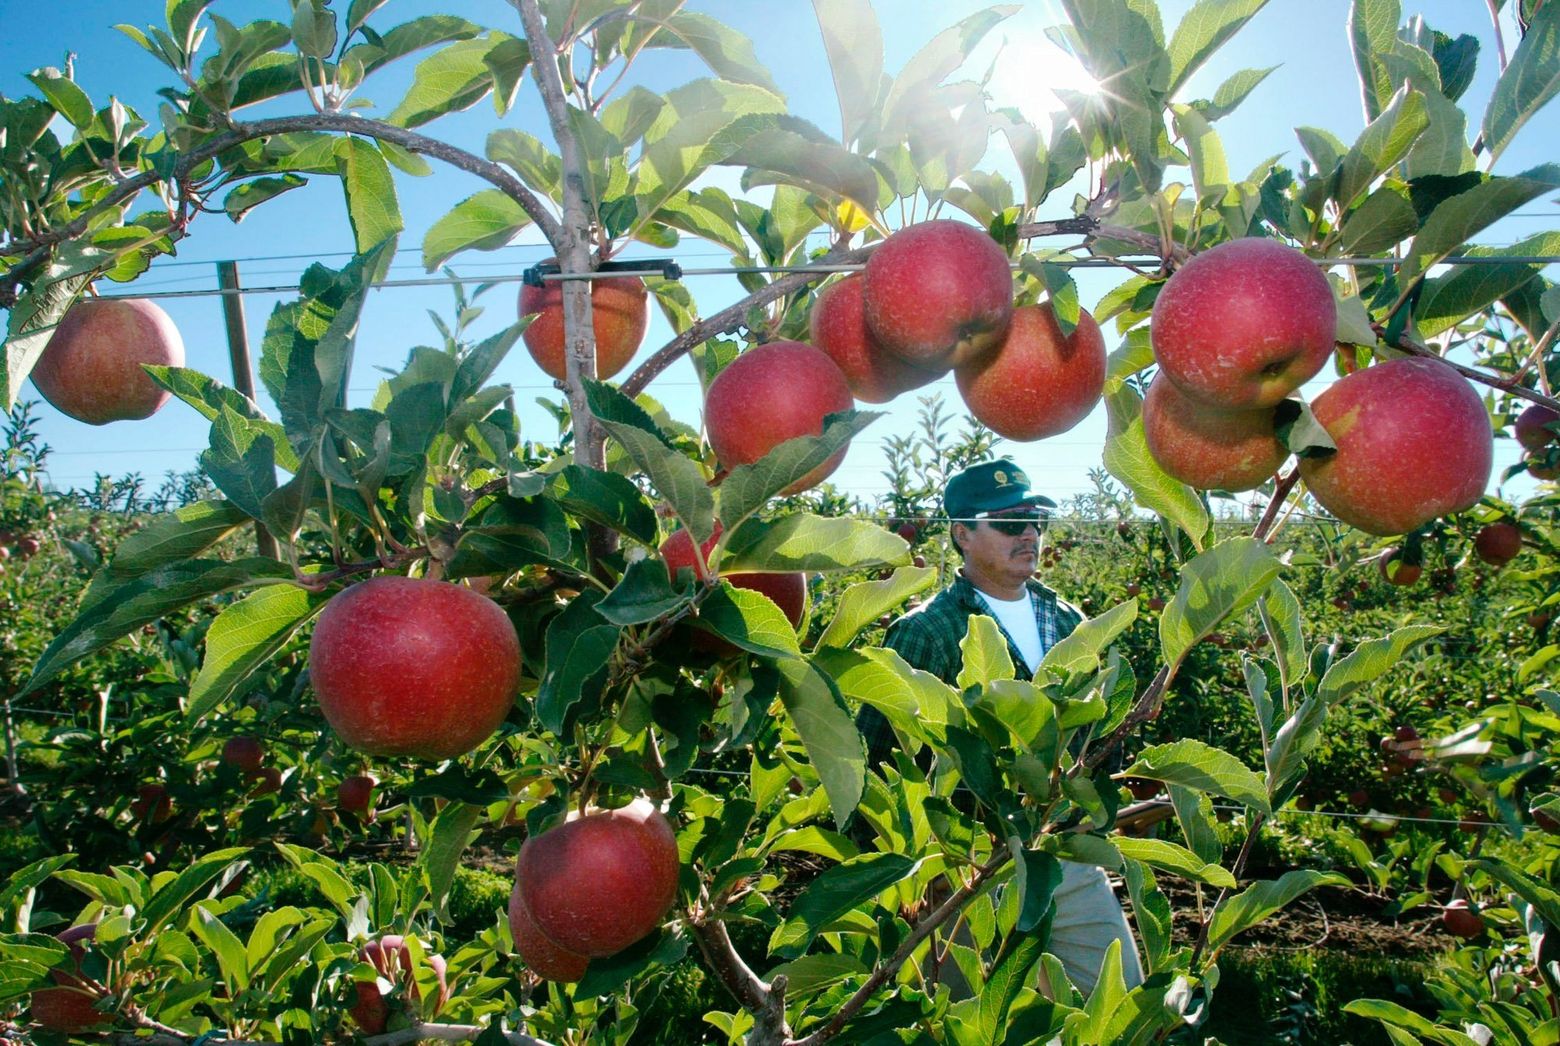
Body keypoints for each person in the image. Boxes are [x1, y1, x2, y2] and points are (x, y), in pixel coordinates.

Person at [859, 458, 1145, 997]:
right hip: (966, 869)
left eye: (1036, 521)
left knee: (1115, 1001)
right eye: (1011, 523)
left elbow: (1096, 738)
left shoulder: (1070, 623)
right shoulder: (926, 632)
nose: (1030, 534)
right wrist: (900, 876)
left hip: (1061, 857)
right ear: (962, 533)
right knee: (974, 1017)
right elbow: (877, 760)